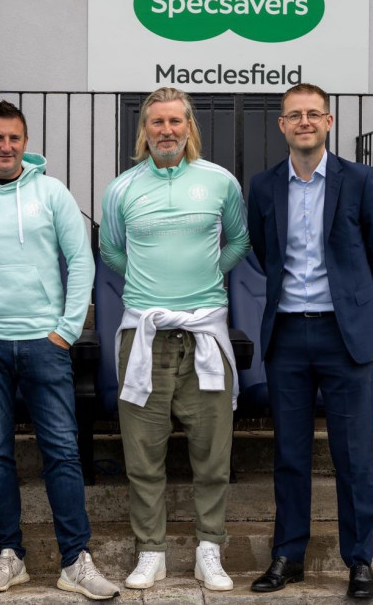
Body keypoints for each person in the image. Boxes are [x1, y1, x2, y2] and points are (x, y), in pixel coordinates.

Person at [0, 101, 119, 601]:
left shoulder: (52, 194)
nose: (5, 147)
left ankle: (75, 561)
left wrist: (66, 330)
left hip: (44, 343)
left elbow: (81, 261)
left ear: (25, 143)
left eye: (14, 138)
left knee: (62, 450)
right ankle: (8, 555)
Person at [99, 87, 250, 592]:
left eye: (175, 121)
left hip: (205, 335)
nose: (166, 131)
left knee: (213, 454)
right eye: (157, 122)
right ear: (144, 130)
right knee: (143, 456)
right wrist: (149, 286)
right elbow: (111, 251)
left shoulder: (220, 182)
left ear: (190, 127)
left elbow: (240, 241)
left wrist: (207, 275)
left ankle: (210, 549)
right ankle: (152, 553)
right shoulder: (122, 188)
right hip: (144, 338)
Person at [246, 83, 373, 600]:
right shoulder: (263, 187)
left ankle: (360, 562)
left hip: (344, 336)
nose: (304, 121)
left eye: (313, 114)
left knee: (353, 455)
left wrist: (350, 300)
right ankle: (288, 555)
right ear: (281, 125)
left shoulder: (359, 179)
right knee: (289, 453)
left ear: (329, 122)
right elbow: (263, 254)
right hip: (286, 334)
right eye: (294, 115)